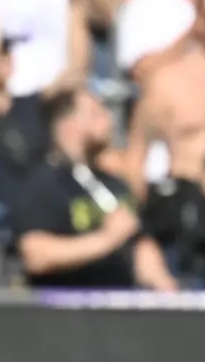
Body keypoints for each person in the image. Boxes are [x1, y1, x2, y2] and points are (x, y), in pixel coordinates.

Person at [11, 90, 177, 290]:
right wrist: (106, 240)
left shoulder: (115, 184)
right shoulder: (43, 184)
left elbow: (141, 246)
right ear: (67, 123)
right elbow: (36, 256)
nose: (107, 119)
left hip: (120, 302)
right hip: (65, 303)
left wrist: (164, 284)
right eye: (95, 113)